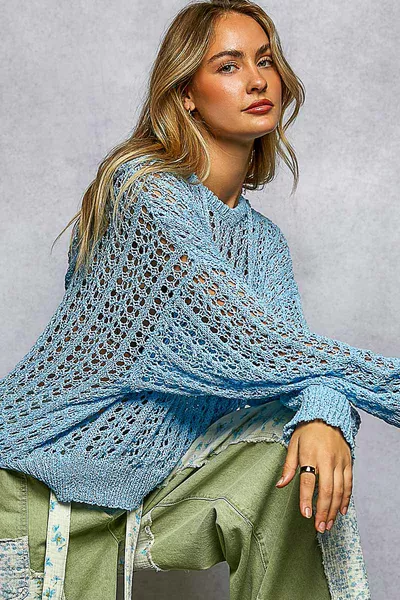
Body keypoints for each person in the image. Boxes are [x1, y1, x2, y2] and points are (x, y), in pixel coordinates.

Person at [0, 0, 398, 598]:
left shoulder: (264, 242)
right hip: (43, 475)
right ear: (186, 93)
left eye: (265, 60)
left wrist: (324, 412)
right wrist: (375, 386)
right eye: (229, 66)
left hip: (151, 482)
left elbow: (289, 363)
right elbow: (250, 346)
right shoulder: (143, 193)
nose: (258, 80)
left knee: (299, 451)